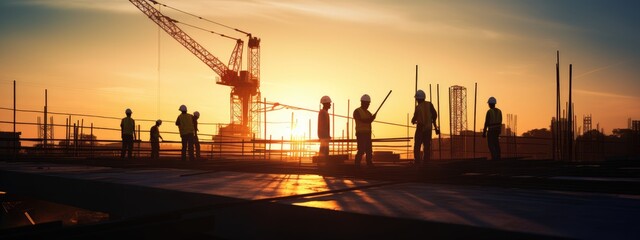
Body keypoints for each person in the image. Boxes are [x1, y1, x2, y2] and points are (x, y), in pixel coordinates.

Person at [411, 90, 438, 165]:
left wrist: (413, 121)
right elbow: (435, 115)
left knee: (417, 145)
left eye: (416, 99)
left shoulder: (418, 107)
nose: (416, 100)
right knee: (426, 146)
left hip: (420, 128)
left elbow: (415, 118)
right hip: (428, 129)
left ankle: (417, 161)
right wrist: (433, 122)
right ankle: (426, 161)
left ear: (418, 99)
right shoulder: (429, 104)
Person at [354, 94, 376, 168]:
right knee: (361, 150)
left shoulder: (368, 113)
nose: (368, 105)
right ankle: (357, 163)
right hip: (360, 134)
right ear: (362, 102)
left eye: (368, 104)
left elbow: (369, 122)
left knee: (369, 150)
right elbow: (362, 120)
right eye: (367, 103)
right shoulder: (357, 111)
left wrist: (372, 118)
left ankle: (369, 163)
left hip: (367, 134)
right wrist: (371, 119)